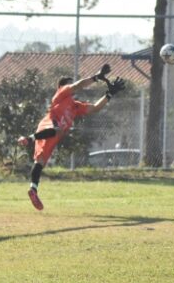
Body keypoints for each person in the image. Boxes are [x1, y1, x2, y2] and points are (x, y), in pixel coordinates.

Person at [17, 64, 125, 211]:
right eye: (68, 84)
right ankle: (29, 139)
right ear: (61, 87)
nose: (71, 86)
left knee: (40, 161)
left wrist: (109, 94)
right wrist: (95, 77)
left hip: (54, 134)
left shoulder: (75, 106)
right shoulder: (61, 94)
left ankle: (33, 189)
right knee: (58, 130)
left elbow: (95, 108)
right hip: (48, 124)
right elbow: (78, 85)